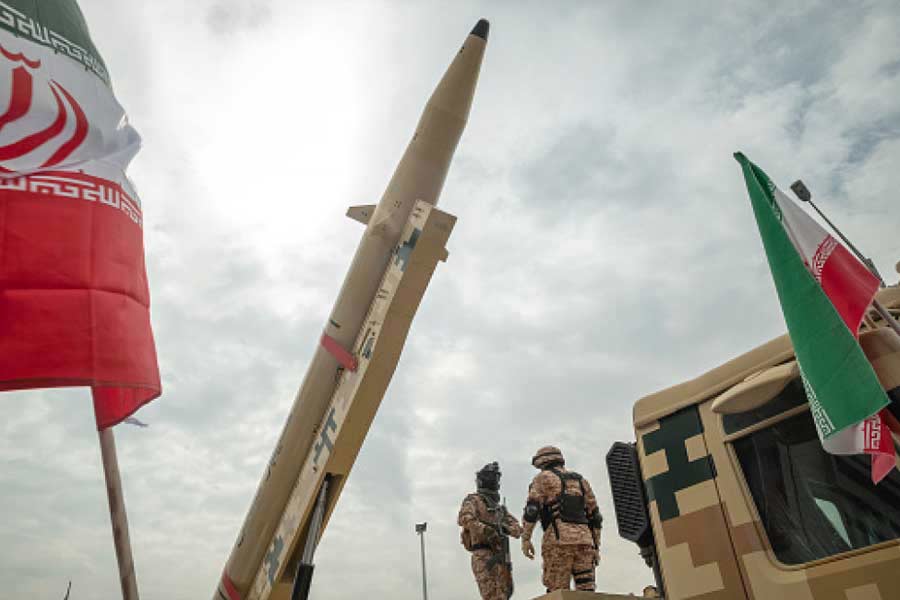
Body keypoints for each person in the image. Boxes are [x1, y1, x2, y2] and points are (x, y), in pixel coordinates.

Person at [520, 446, 603, 592]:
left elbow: (532, 510)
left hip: (558, 541)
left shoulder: (543, 478)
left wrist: (526, 538)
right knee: (586, 589)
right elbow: (595, 517)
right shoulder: (581, 481)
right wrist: (595, 546)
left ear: (542, 462)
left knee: (557, 590)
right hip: (585, 541)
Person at [458, 462, 522, 599]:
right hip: (483, 554)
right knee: (491, 595)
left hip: (501, 555)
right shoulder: (473, 501)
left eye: (496, 478)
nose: (495, 481)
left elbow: (517, 530)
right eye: (492, 478)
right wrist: (487, 530)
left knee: (504, 595)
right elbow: (465, 519)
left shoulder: (499, 509)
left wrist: (504, 528)